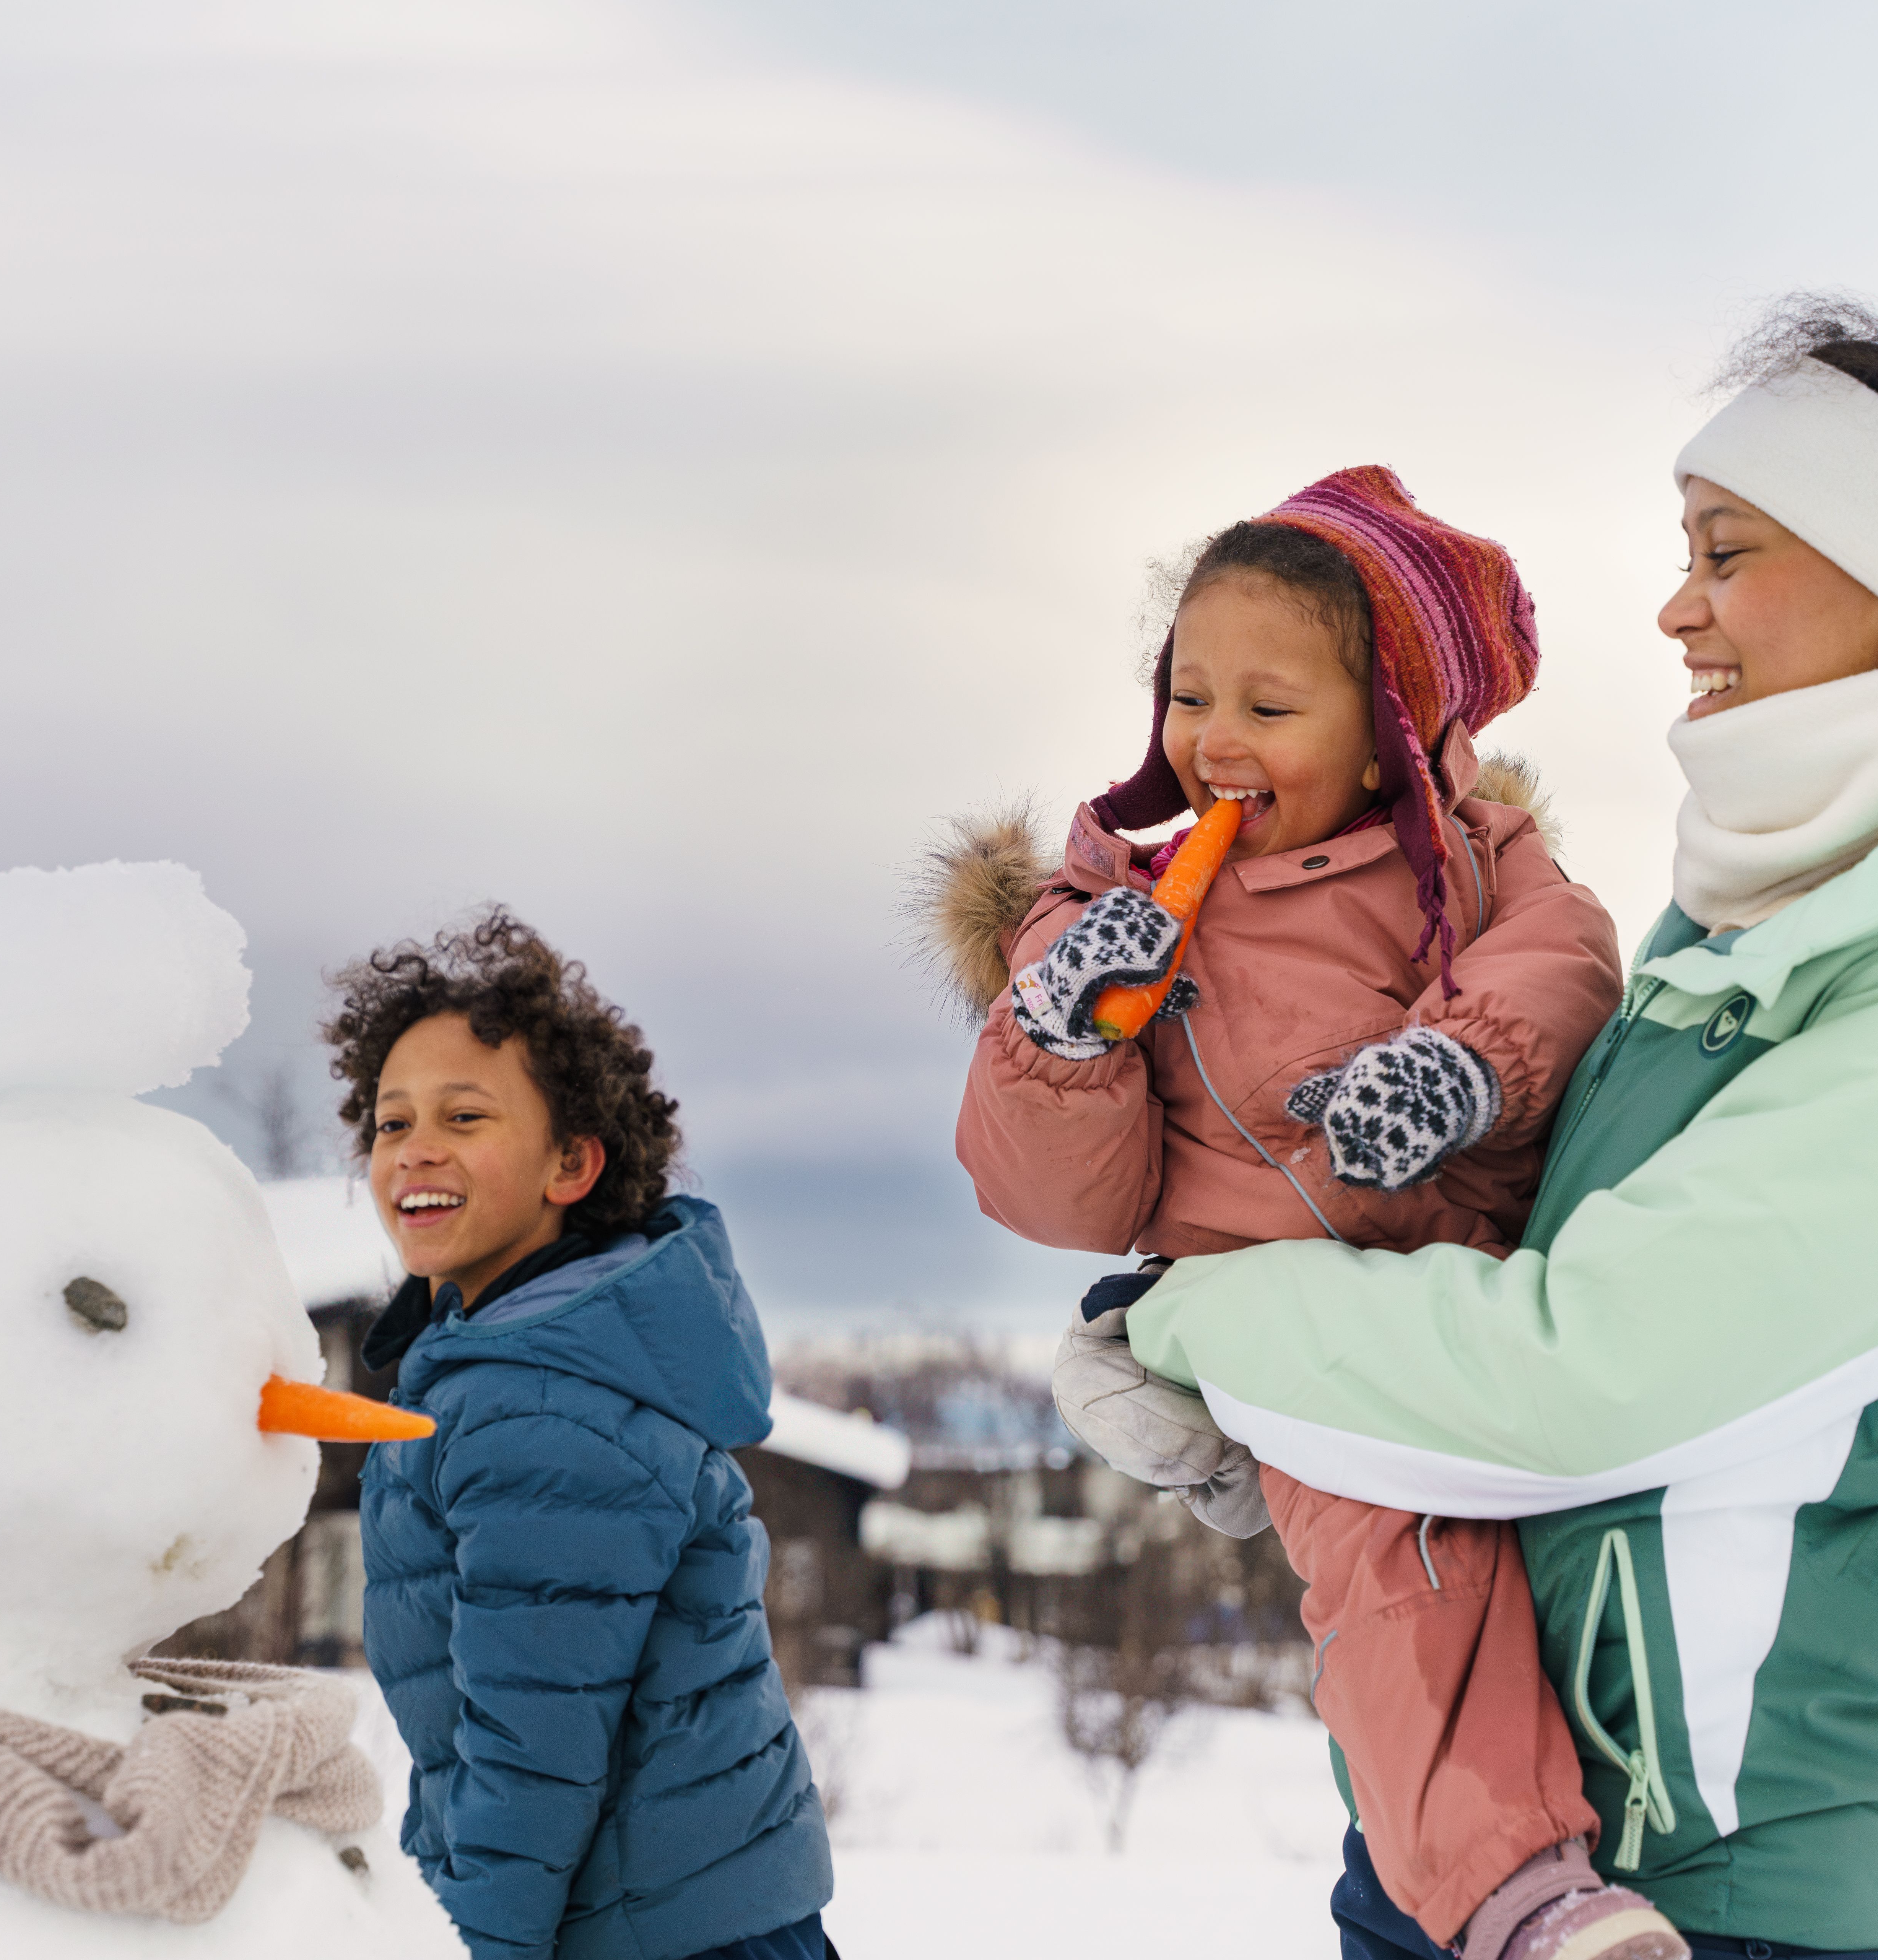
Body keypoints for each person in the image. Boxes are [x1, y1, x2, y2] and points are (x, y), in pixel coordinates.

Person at [1073, 304, 1878, 1960]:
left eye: (1724, 552)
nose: (1672, 605)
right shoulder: (1797, 908)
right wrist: (1315, 1427)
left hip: (1689, 1888)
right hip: (1504, 1859)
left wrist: (1192, 1320)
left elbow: (1581, 1380)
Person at [936, 468, 1650, 1960]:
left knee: (1632, 1576)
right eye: (1189, 696)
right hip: (1283, 1318)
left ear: (1390, 724)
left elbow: (1567, 960)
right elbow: (1070, 1198)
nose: (1212, 739)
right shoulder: (1104, 915)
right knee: (1407, 1563)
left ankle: (1795, 1900)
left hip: (1476, 1288)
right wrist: (1057, 1040)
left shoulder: (1472, 859)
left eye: (1270, 706)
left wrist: (1458, 1065)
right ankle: (1508, 1892)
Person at [336, 912, 832, 1960]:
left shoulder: (539, 1404)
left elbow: (535, 1750)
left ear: (572, 1165)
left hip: (652, 1933)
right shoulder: (501, 1366)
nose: (415, 1148)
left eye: (465, 1118)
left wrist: (479, 1944)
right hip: (665, 1917)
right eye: (390, 1124)